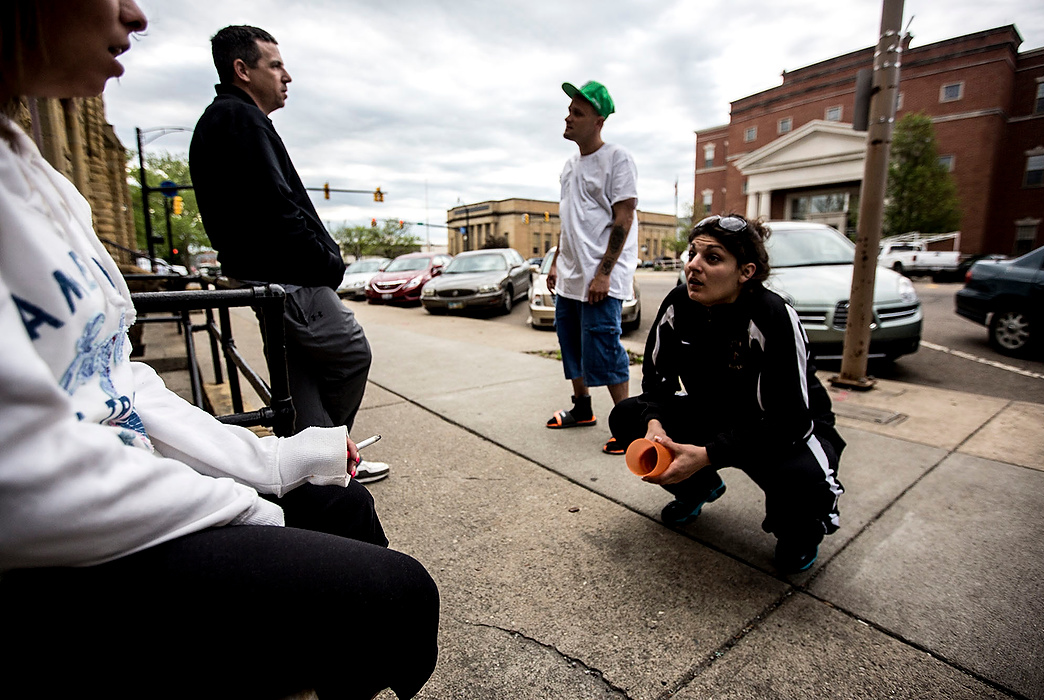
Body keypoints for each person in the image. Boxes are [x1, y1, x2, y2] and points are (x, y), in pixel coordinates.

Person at [0, 2, 437, 697]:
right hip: (60, 549)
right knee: (398, 594)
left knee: (341, 500)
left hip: (116, 482)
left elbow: (121, 382)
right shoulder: (236, 118)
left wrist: (279, 457)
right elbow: (21, 482)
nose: (135, 15)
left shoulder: (44, 183)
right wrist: (249, 509)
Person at [188, 25, 388, 483]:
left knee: (298, 380)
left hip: (270, 278)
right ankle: (326, 459)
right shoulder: (239, 119)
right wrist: (328, 261)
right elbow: (278, 208)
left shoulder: (227, 120)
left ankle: (316, 470)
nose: (287, 76)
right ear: (242, 70)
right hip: (290, 277)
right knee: (350, 354)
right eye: (275, 65)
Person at [609, 214, 846, 574]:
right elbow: (656, 380)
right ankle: (696, 488)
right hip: (713, 413)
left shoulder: (773, 315)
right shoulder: (679, 304)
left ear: (746, 272)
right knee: (628, 417)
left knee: (803, 479)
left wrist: (707, 453)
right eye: (693, 254)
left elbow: (791, 422)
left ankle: (800, 533)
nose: (693, 266)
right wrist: (655, 425)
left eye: (712, 258)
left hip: (782, 427)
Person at [545, 80, 639, 456]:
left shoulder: (617, 158)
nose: (568, 117)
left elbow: (624, 218)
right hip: (569, 275)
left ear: (598, 121)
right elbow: (570, 222)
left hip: (601, 278)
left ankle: (628, 425)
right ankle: (582, 409)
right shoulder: (568, 167)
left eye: (578, 112)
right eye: (569, 110)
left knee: (605, 348)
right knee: (571, 345)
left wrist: (604, 274)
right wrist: (555, 262)